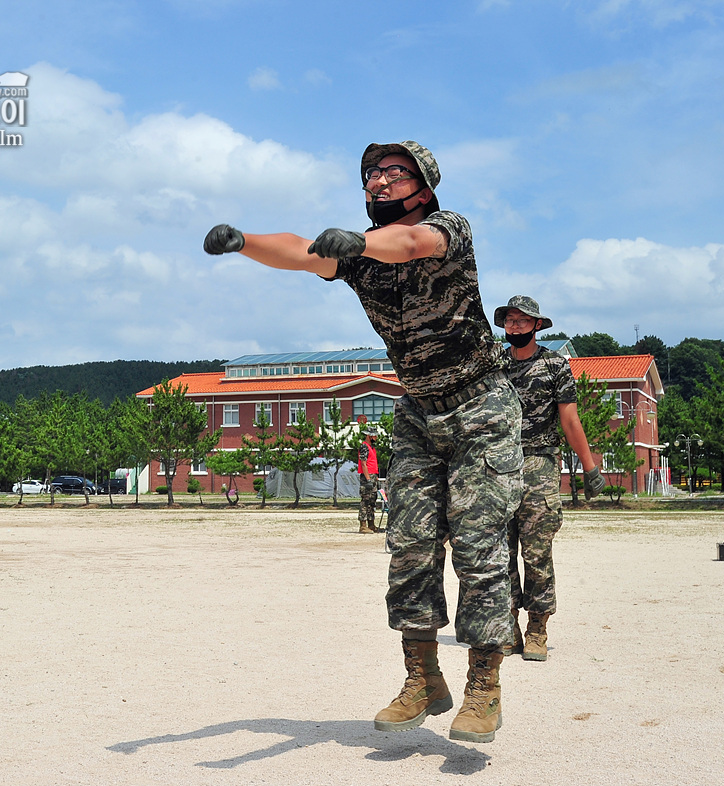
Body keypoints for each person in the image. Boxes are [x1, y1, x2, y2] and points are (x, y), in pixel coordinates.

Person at [204, 140, 522, 744]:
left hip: (481, 406)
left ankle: (485, 686)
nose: (379, 180)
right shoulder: (358, 257)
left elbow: (409, 243)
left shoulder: (447, 228)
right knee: (408, 546)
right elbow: (303, 253)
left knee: (480, 550)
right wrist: (244, 242)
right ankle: (422, 677)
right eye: (372, 173)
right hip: (418, 414)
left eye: (394, 172)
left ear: (423, 186)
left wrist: (356, 241)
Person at [494, 295, 605, 662]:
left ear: (537, 325)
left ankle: (537, 628)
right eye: (510, 320)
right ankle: (508, 624)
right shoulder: (494, 364)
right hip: (496, 466)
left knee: (537, 551)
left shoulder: (556, 366)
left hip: (539, 464)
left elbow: (570, 420)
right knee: (500, 552)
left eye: (523, 321)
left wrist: (589, 468)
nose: (515, 326)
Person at [357, 425, 382, 534]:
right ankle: (363, 526)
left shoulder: (372, 447)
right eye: (374, 436)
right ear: (369, 436)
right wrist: (368, 479)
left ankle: (371, 524)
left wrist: (375, 477)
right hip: (367, 476)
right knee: (365, 501)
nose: (376, 438)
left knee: (372, 501)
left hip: (372, 475)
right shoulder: (364, 447)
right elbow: (363, 463)